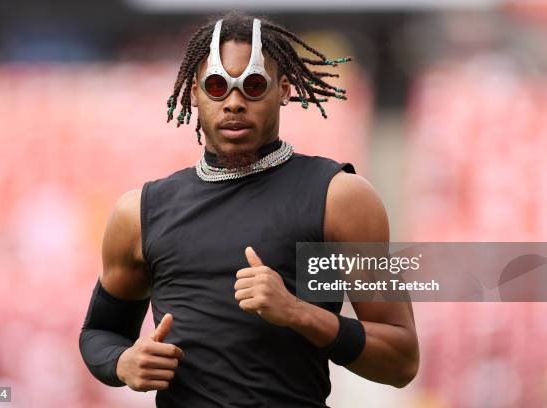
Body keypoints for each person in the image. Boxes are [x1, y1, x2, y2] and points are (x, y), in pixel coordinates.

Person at [79, 11, 419, 408]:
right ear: (194, 93)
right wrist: (123, 362)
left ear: (285, 89)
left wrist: (298, 312)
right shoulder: (139, 212)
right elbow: (99, 333)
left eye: (253, 85)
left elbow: (401, 361)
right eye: (218, 86)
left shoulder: (338, 198)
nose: (234, 103)